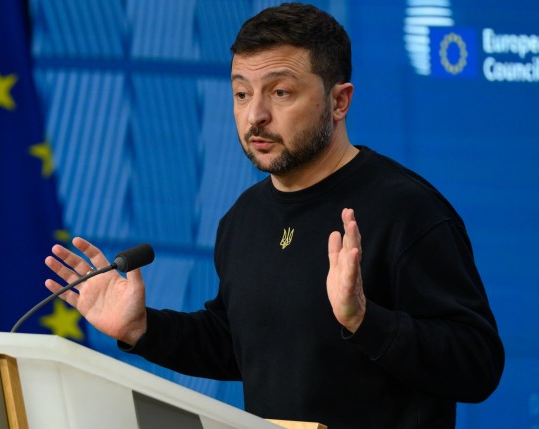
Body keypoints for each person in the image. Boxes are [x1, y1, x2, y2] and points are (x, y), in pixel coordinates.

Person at [44, 3, 504, 428]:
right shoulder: (243, 218)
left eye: (280, 92)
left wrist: (365, 321)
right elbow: (238, 344)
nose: (255, 116)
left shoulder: (406, 209)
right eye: (242, 94)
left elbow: (478, 364)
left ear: (339, 101)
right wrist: (143, 328)